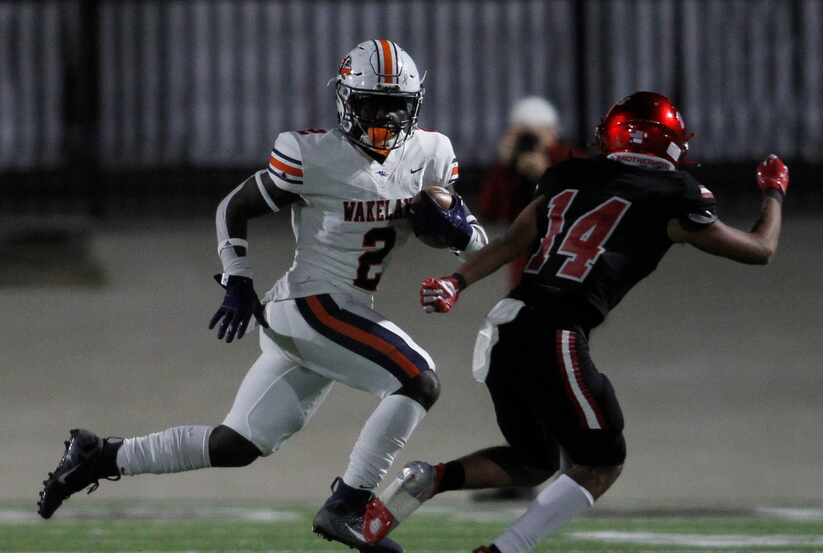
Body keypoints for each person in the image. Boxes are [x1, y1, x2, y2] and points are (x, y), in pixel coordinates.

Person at [37, 39, 487, 553]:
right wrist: (237, 276)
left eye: (395, 107)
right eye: (372, 105)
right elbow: (235, 206)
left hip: (337, 315)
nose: (385, 118)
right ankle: (349, 505)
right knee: (417, 379)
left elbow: (476, 239)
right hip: (312, 303)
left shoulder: (430, 154)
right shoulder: (313, 155)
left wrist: (454, 229)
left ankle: (98, 457)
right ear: (346, 102)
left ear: (415, 107)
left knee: (237, 444)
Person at [361, 91, 790, 553]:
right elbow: (760, 249)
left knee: (534, 461)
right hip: (556, 332)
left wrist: (456, 281)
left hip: (503, 326)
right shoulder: (671, 197)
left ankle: (430, 478)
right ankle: (507, 549)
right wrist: (773, 191)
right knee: (602, 462)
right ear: (668, 143)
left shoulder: (570, 176)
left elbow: (513, 240)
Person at [479, 97, 577, 288]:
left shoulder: (568, 160)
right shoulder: (511, 167)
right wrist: (504, 166)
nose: (530, 141)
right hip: (526, 265)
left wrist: (547, 173)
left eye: (536, 134)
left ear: (552, 132)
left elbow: (581, 206)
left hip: (566, 260)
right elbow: (489, 211)